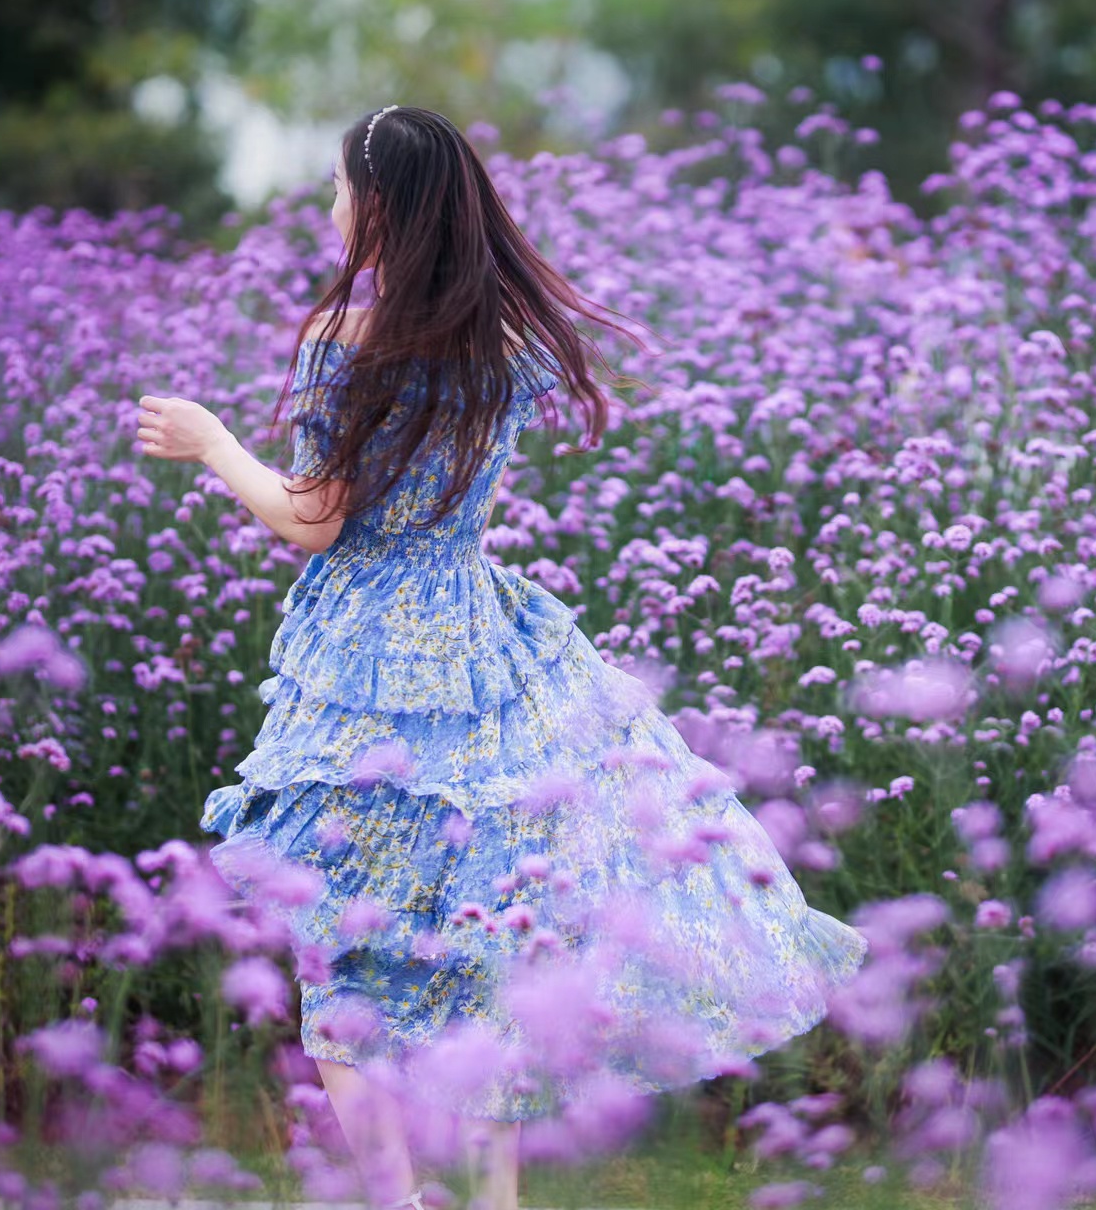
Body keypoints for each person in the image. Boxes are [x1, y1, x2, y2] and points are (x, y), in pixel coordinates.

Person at [134, 105, 868, 1210]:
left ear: (377, 207)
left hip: (369, 656)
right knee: (484, 931)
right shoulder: (505, 349)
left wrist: (210, 442)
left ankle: (391, 1196)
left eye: (341, 189)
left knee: (338, 935)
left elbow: (315, 520)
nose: (332, 208)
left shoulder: (348, 346)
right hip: (483, 638)